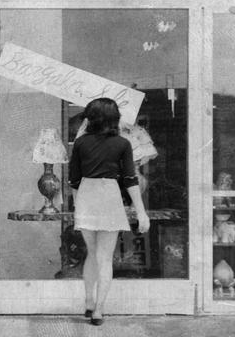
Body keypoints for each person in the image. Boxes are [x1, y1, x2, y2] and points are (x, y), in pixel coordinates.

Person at [68, 98, 150, 326]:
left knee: (92, 253)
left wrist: (78, 206)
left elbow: (73, 180)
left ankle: (88, 300)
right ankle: (98, 311)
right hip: (109, 196)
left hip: (86, 195)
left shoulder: (81, 143)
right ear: (115, 118)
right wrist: (141, 212)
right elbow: (130, 180)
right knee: (105, 258)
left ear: (90, 118)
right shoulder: (122, 144)